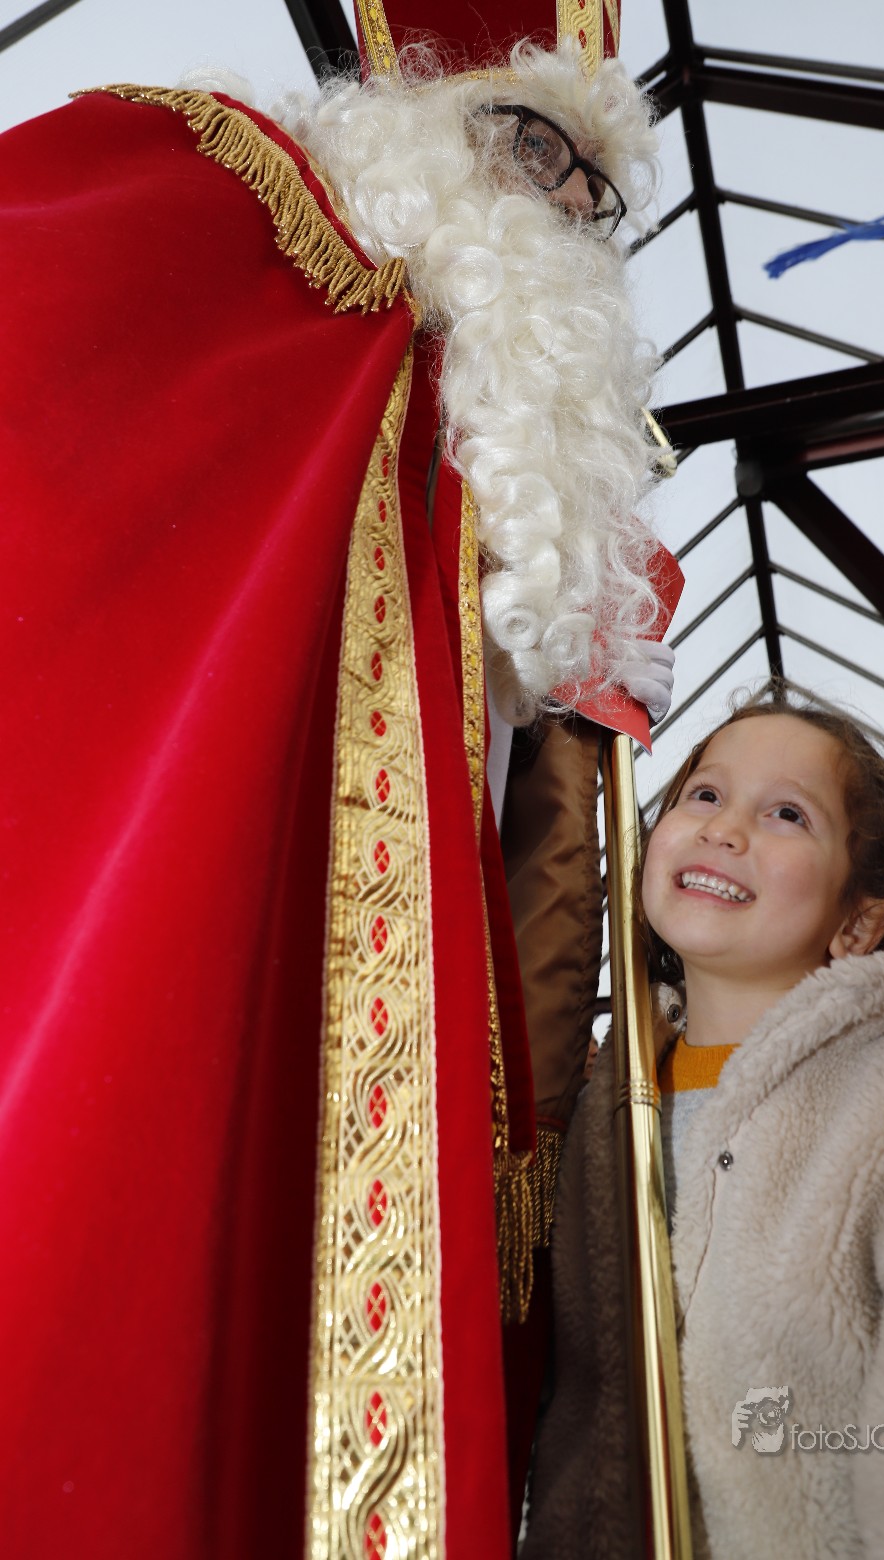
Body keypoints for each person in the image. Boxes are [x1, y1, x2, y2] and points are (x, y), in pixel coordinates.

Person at [0, 4, 678, 1556]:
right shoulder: (239, 212)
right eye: (537, 145)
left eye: (596, 194)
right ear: (418, 123)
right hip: (155, 909)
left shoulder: (488, 457)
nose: (565, 206)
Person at [522, 681, 884, 1560]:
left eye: (787, 815)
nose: (725, 830)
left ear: (858, 922)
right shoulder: (596, 1114)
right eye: (704, 794)